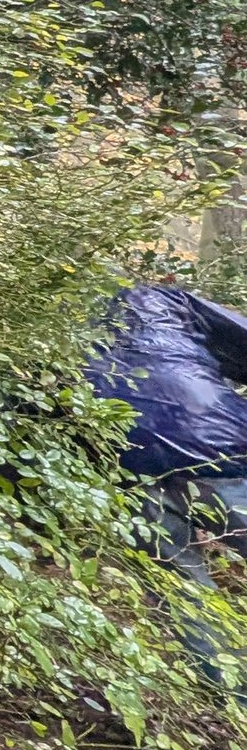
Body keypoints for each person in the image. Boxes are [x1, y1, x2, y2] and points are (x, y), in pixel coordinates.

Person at [85, 284, 247, 680]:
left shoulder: (27, 341)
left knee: (185, 592)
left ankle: (238, 702)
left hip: (130, 471)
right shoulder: (156, 298)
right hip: (216, 444)